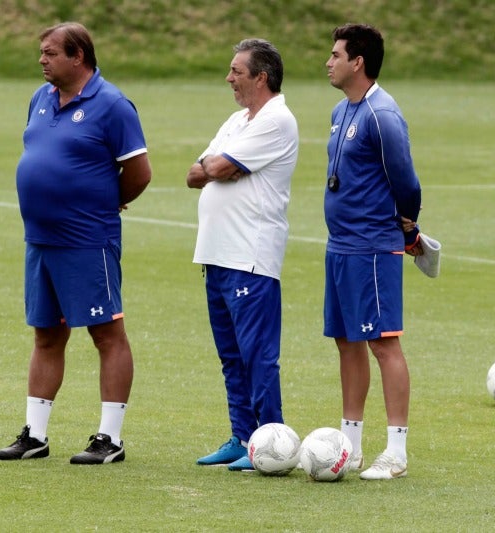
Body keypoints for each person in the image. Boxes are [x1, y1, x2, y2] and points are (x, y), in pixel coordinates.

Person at [0, 22, 152, 465]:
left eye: (50, 53)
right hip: (40, 239)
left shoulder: (112, 105)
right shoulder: (40, 98)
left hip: (88, 240)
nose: (41, 60)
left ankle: (110, 438)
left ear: (78, 56)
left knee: (107, 334)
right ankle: (35, 435)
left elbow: (139, 172)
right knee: (46, 334)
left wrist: (104, 204)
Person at [186, 38, 299, 472]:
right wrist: (220, 167)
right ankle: (242, 436)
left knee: (257, 354)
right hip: (216, 253)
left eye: (236, 71)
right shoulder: (238, 120)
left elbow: (214, 168)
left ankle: (272, 440)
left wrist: (219, 167)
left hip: (250, 254)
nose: (228, 78)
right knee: (231, 355)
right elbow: (198, 173)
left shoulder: (277, 120)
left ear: (261, 77)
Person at [323, 23, 424, 480]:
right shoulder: (342, 109)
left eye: (336, 54)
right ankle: (351, 445)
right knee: (347, 342)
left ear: (357, 62)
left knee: (383, 343)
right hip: (341, 246)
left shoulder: (383, 114)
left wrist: (407, 227)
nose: (329, 62)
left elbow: (407, 182)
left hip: (373, 247)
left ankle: (396, 452)